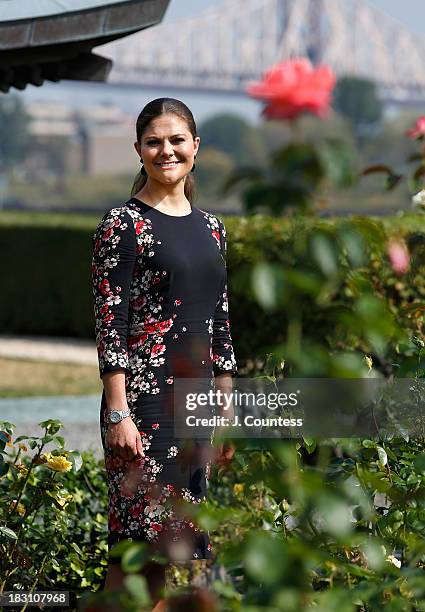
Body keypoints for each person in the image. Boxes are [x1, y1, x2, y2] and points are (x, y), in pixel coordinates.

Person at [91, 97, 237, 611]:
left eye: (177, 140)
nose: (166, 150)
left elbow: (219, 324)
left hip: (195, 410)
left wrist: (226, 411)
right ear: (138, 150)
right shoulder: (122, 224)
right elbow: (112, 325)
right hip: (145, 410)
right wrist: (117, 413)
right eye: (154, 141)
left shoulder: (213, 228)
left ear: (196, 148)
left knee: (184, 554)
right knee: (138, 557)